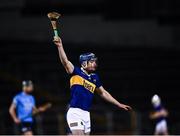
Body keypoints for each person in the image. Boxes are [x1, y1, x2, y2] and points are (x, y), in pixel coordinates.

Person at [53, 36, 132, 135]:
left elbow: (103, 93)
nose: (95, 64)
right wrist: (60, 46)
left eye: (95, 62)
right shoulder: (75, 72)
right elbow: (65, 62)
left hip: (86, 114)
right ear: (84, 63)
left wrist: (118, 104)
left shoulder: (95, 78)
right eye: (92, 61)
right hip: (75, 112)